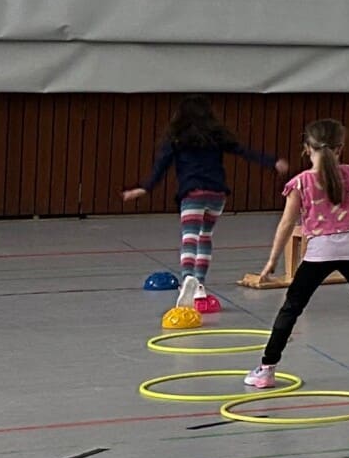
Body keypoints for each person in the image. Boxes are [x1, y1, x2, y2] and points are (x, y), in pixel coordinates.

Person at [245, 120, 349, 389]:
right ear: (340, 148)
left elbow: (286, 224)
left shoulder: (300, 183)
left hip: (319, 253)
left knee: (291, 308)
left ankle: (266, 369)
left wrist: (271, 262)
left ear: (307, 148)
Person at [122, 97, 287, 311]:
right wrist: (272, 162)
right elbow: (244, 151)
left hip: (193, 193)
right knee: (205, 237)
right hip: (217, 194)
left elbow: (160, 166)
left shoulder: (176, 138)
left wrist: (145, 188)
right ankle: (199, 284)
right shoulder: (216, 136)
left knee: (189, 237)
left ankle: (187, 279)